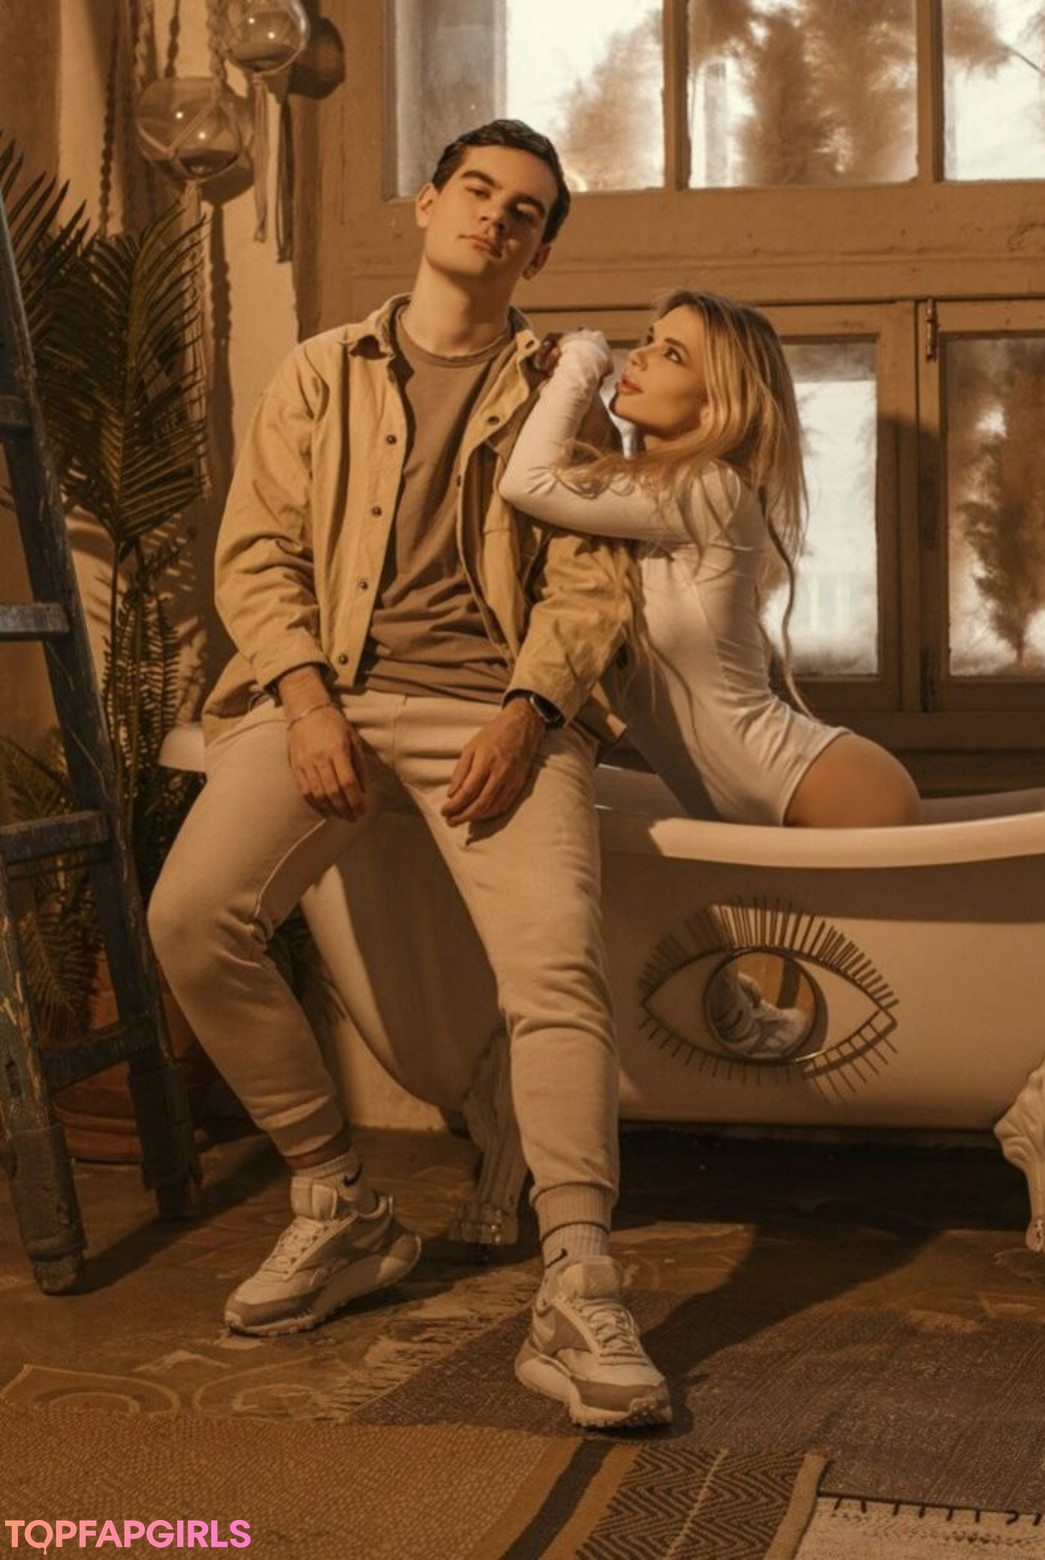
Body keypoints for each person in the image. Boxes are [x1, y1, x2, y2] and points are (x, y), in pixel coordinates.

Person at [149, 120, 672, 1430]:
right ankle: (338, 1201)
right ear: (429, 202)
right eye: (479, 191)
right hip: (323, 694)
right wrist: (305, 701)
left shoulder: (564, 391)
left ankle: (580, 1282)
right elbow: (256, 554)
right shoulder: (319, 373)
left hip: (495, 711)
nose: (497, 218)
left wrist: (529, 713)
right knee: (190, 919)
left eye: (527, 212)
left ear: (539, 252)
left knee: (557, 969)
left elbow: (591, 583)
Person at [500, 291, 921, 834]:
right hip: (786, 793)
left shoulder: (711, 489)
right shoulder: (644, 507)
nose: (640, 356)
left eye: (673, 355)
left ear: (715, 404)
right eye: (649, 340)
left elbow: (527, 481)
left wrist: (583, 359)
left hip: (831, 787)